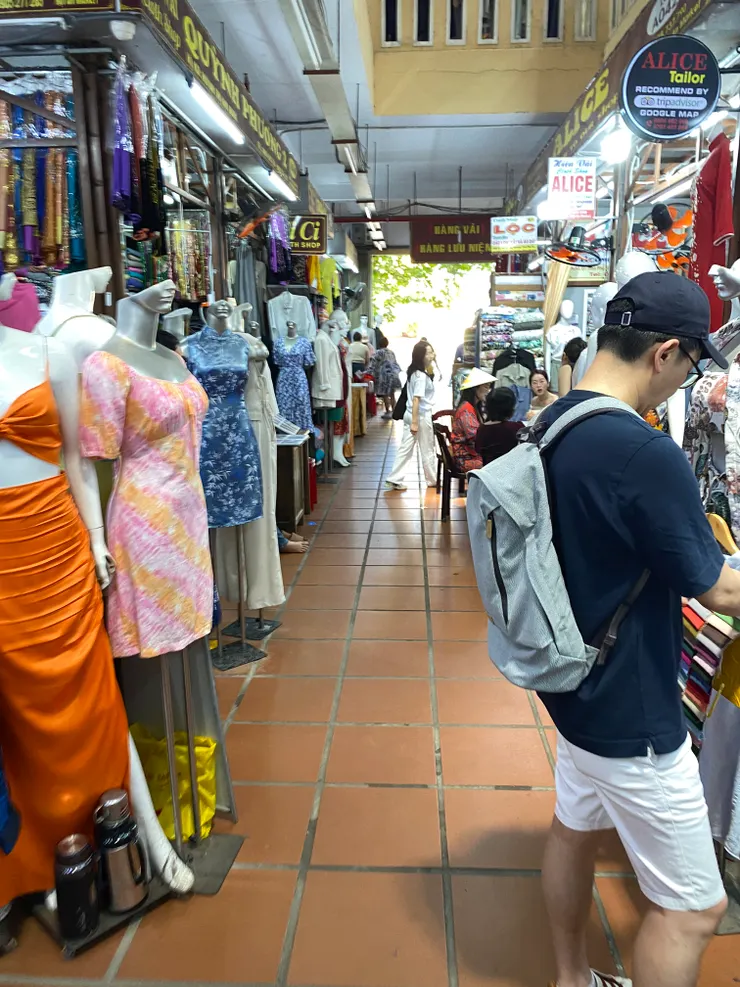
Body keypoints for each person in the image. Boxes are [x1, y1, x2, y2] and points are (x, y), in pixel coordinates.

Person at [537, 272, 740, 987]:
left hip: (572, 684)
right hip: (633, 708)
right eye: (690, 366)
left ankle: (572, 978)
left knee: (573, 830)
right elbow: (717, 585)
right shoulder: (643, 451)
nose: (686, 382)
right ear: (664, 353)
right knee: (693, 908)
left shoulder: (556, 422)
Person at [385, 340, 436, 490]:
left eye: (432, 352)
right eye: (429, 353)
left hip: (410, 414)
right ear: (421, 356)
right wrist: (415, 422)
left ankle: (394, 478)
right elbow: (416, 399)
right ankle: (432, 479)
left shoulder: (414, 372)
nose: (432, 355)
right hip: (420, 416)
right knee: (427, 448)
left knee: (405, 448)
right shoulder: (420, 376)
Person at [450, 367, 495, 473]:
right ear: (475, 388)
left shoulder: (473, 407)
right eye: (486, 386)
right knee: (496, 464)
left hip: (470, 454)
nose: (488, 391)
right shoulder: (466, 410)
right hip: (465, 458)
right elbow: (475, 436)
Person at [474, 386, 524, 466]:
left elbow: (478, 449)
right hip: (511, 471)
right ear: (510, 408)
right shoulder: (517, 428)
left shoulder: (482, 429)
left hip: (488, 471)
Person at [370, 333, 402, 419]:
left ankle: (388, 412)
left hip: (384, 376)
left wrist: (369, 373)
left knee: (385, 394)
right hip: (393, 375)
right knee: (392, 394)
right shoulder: (391, 352)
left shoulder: (378, 352)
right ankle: (394, 411)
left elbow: (373, 365)